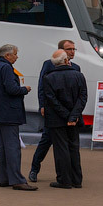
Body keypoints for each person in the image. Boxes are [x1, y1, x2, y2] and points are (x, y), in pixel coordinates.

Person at [0, 44, 35, 190]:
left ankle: (5, 178)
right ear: (7, 55)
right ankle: (17, 180)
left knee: (3, 148)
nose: (16, 56)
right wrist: (24, 89)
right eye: (15, 54)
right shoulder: (7, 68)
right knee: (13, 147)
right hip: (9, 113)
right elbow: (12, 89)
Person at [29, 39, 76, 182]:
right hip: (52, 112)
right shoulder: (49, 64)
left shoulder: (76, 67)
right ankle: (34, 169)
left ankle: (69, 175)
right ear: (61, 50)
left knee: (69, 144)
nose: (72, 52)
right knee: (46, 140)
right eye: (69, 49)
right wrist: (42, 105)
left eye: (74, 49)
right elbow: (42, 86)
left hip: (69, 113)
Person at [41, 49, 87, 188]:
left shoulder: (48, 78)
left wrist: (66, 115)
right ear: (66, 60)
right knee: (74, 147)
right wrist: (73, 116)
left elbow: (51, 100)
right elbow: (82, 97)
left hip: (57, 119)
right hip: (75, 119)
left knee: (61, 149)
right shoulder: (79, 75)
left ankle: (64, 180)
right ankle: (76, 179)